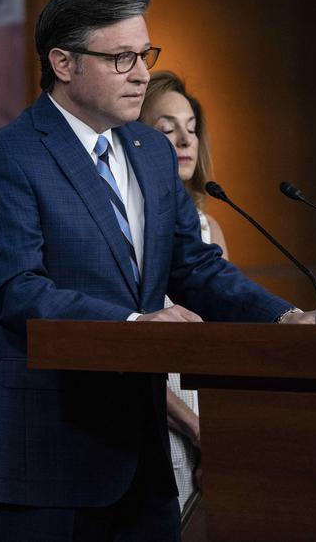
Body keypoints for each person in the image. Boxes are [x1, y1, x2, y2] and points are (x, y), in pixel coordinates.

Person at [0, 0, 314, 541]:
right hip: (46, 450)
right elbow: (15, 290)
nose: (141, 73)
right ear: (63, 63)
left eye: (145, 55)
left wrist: (281, 319)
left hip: (141, 455)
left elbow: (193, 267)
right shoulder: (5, 157)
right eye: (121, 58)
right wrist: (135, 326)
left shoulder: (150, 152)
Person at [139, 71, 226, 509]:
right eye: (167, 130)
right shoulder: (128, 223)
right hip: (154, 404)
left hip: (203, 403)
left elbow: (223, 340)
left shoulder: (211, 227)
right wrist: (193, 425)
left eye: (191, 129)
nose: (185, 141)